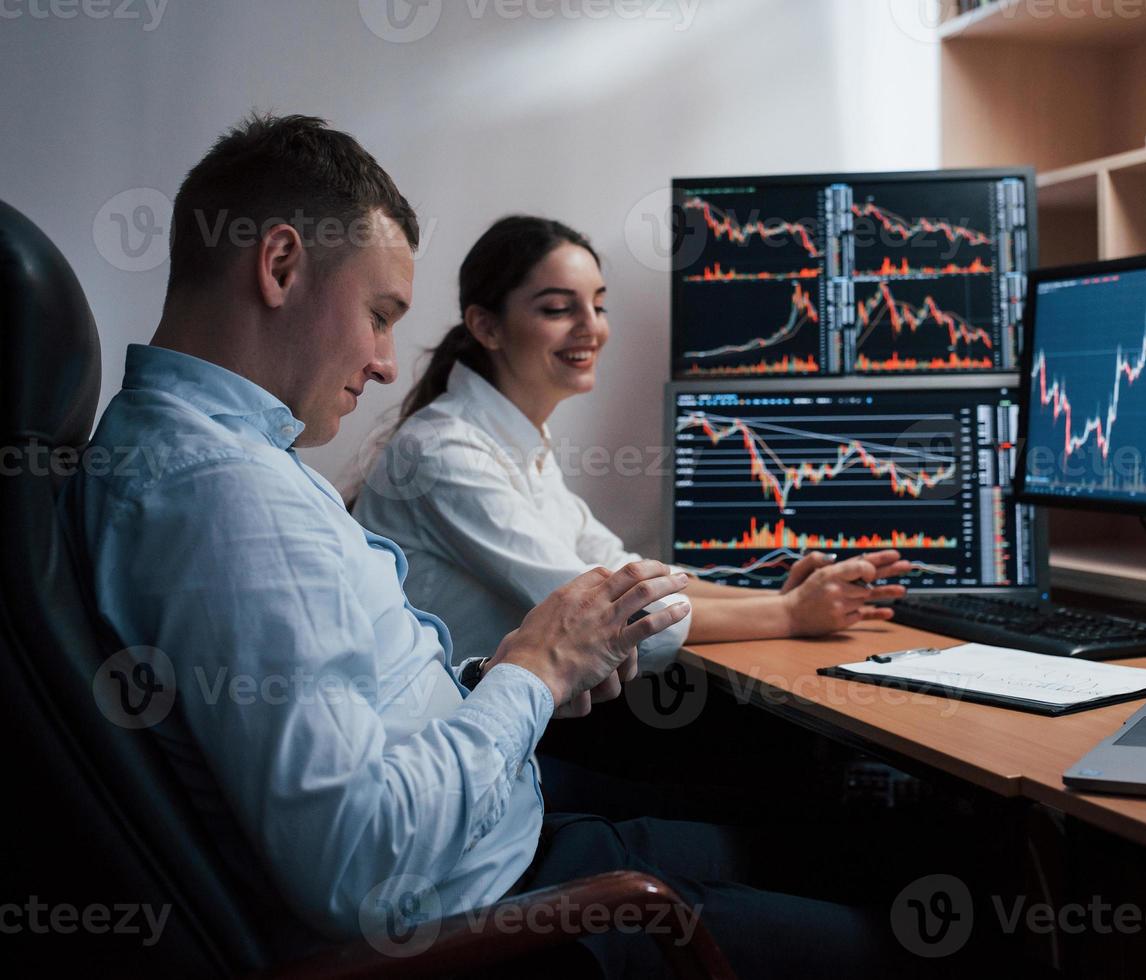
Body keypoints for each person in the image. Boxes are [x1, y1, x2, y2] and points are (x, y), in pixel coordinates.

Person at [65, 113, 938, 978]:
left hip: (498, 843)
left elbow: (378, 705)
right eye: (378, 315)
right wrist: (533, 673)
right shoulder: (226, 496)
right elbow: (358, 864)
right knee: (906, 926)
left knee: (839, 849)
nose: (383, 362)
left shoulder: (225, 457)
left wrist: (501, 683)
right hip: (484, 923)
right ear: (281, 265)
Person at [351, 215, 914, 677]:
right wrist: (789, 615)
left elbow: (624, 572)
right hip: (462, 739)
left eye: (597, 304)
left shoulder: (517, 441)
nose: (591, 327)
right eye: (557, 308)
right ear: (487, 327)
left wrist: (775, 597)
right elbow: (602, 615)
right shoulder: (445, 453)